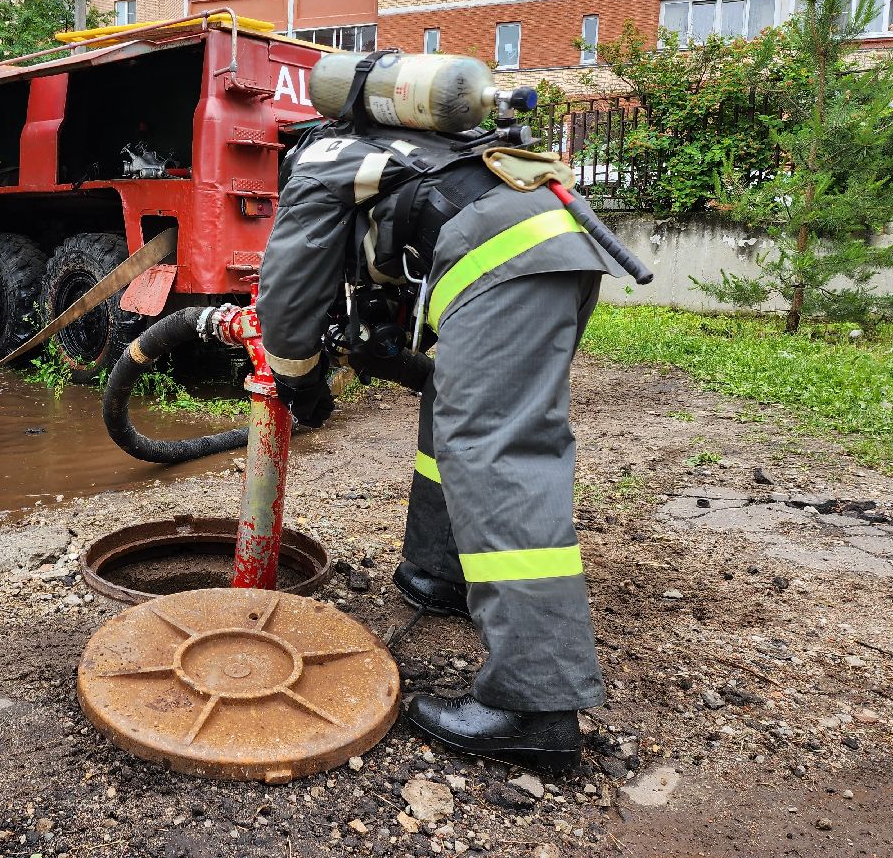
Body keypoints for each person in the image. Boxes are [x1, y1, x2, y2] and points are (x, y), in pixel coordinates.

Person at [255, 69, 625, 771]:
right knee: (450, 410)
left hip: (507, 263)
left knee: (496, 450)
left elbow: (289, 290)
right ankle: (439, 572)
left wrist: (298, 382)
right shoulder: (413, 147)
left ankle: (535, 704)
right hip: (555, 240)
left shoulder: (319, 160)